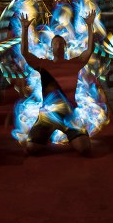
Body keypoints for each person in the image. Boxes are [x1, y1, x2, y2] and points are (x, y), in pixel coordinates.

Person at [18, 10, 96, 156]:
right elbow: (25, 53)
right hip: (47, 114)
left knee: (85, 149)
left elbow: (89, 50)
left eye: (61, 43)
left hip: (69, 114)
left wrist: (90, 26)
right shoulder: (43, 64)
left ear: (65, 47)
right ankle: (46, 134)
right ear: (51, 47)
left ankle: (70, 135)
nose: (58, 45)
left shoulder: (73, 63)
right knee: (31, 149)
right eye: (55, 43)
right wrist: (24, 28)